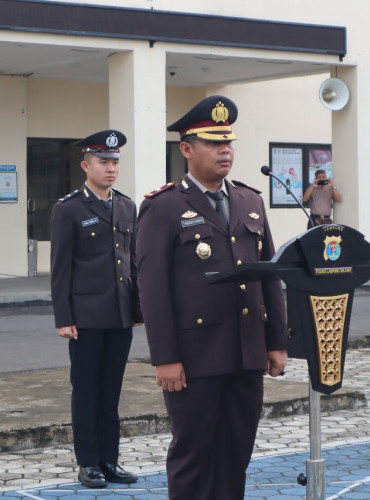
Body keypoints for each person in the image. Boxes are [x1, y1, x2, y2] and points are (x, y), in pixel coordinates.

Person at [135, 95, 288, 500]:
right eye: (213, 142)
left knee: (236, 452)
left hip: (246, 351)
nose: (225, 150)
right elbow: (152, 289)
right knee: (194, 454)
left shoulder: (250, 200)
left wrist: (276, 343)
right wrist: (165, 357)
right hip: (195, 355)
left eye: (228, 142)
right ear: (186, 149)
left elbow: (269, 276)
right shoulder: (163, 207)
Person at [49, 129, 139, 489]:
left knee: (111, 392)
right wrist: (64, 318)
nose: (111, 169)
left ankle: (109, 460)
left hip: (119, 316)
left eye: (115, 162)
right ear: (86, 165)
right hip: (85, 318)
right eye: (104, 162)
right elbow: (61, 268)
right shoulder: (68, 209)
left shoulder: (127, 205)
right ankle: (88, 463)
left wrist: (138, 309)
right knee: (86, 390)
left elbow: (132, 264)